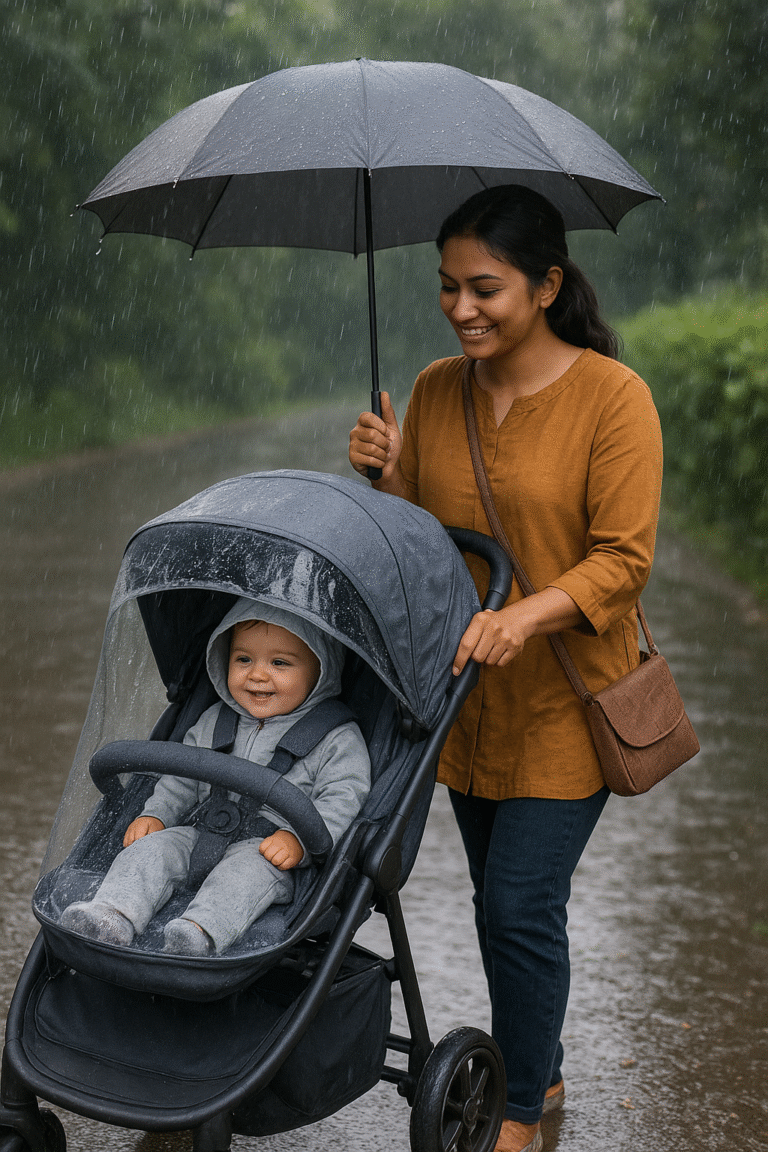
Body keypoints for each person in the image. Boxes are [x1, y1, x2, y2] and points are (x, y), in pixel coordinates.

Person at [349, 185, 662, 1152]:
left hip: (570, 699)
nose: (460, 308)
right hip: (468, 701)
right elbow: (422, 539)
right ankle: (548, 1062)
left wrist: (526, 614)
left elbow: (623, 558)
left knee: (522, 903)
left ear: (547, 284)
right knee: (498, 902)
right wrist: (387, 473)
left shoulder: (615, 398)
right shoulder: (439, 388)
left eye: (484, 288)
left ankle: (521, 1107)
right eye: (447, 288)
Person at [61, 599, 370, 957]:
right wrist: (157, 814)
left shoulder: (336, 737)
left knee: (242, 878)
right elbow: (180, 779)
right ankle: (111, 915)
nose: (256, 674)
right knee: (151, 852)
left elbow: (343, 797)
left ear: (321, 670)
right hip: (203, 830)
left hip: (269, 850)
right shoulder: (214, 720)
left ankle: (199, 933)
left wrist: (300, 839)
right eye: (243, 660)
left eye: (279, 663)